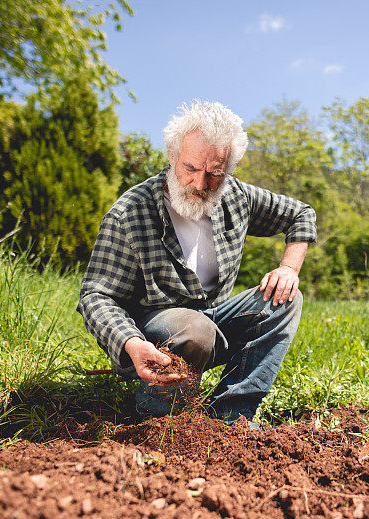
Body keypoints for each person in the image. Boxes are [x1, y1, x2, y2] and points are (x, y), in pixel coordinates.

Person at [77, 101, 316, 424]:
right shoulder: (130, 214)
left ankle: (233, 415)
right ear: (172, 156)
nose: (201, 185)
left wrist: (288, 268)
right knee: (195, 329)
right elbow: (96, 296)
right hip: (152, 336)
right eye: (190, 168)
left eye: (215, 173)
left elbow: (301, 214)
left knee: (284, 300)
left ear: (227, 170)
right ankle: (157, 422)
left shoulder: (236, 197)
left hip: (213, 320)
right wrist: (130, 343)